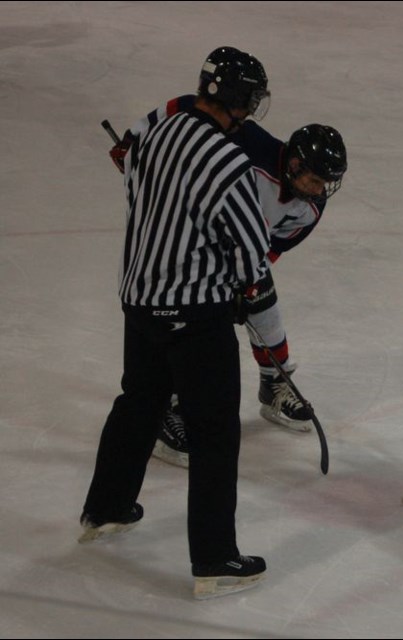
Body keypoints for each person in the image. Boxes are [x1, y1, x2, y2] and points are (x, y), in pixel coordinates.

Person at [81, 46, 271, 600]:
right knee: (214, 433)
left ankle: (106, 507)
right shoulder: (226, 161)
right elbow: (251, 250)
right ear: (236, 100)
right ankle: (214, 559)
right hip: (195, 316)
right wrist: (242, 291)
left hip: (139, 302)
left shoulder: (156, 132)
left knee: (137, 403)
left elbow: (139, 197)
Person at [112, 99, 348, 468]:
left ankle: (273, 384)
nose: (321, 190)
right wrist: (135, 136)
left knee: (265, 304)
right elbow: (189, 107)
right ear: (296, 163)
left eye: (326, 184)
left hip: (239, 251)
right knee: (189, 326)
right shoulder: (252, 143)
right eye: (316, 180)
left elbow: (274, 246)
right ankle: (166, 404)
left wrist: (244, 282)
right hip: (190, 244)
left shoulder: (311, 205)